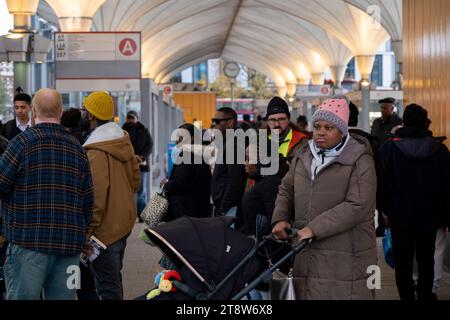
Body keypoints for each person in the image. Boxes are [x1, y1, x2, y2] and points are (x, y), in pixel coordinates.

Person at [272, 96, 377, 300]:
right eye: (317, 126)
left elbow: (358, 205)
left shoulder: (360, 160)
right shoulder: (303, 156)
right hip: (305, 248)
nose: (320, 132)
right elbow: (286, 189)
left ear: (342, 131)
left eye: (329, 127)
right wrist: (280, 217)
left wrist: (314, 229)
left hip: (346, 253)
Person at [0, 89, 94, 300]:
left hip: (27, 242)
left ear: (33, 111)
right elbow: (88, 201)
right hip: (69, 245)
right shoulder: (77, 149)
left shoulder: (21, 143)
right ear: (60, 112)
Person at [378, 104, 450, 301]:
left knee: (403, 263)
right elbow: (447, 185)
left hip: (400, 217)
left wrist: (384, 210)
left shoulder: (389, 149)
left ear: (404, 122)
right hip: (430, 217)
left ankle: (407, 297)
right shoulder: (440, 149)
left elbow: (381, 184)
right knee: (427, 260)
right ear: (424, 122)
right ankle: (426, 296)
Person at [81, 91, 140, 300]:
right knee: (113, 281)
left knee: (107, 288)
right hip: (123, 224)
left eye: (84, 109)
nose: (82, 113)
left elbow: (96, 196)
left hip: (104, 231)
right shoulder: (122, 141)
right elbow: (136, 181)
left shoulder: (96, 150)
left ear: (90, 115)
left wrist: (88, 230)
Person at [161, 123, 211, 221]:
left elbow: (180, 183)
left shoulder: (187, 155)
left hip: (185, 210)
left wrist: (166, 185)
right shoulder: (200, 154)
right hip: (197, 207)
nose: (176, 140)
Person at [370, 97, 402, 237]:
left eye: (385, 108)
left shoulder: (398, 123)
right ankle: (381, 225)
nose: (382, 110)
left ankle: (391, 224)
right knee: (379, 193)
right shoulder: (376, 122)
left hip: (392, 164)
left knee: (390, 192)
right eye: (381, 108)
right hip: (377, 163)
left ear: (392, 108)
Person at [210, 107, 247, 222]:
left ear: (230, 122)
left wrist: (223, 208)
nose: (214, 125)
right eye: (213, 121)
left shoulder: (234, 143)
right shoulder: (229, 141)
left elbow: (235, 180)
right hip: (225, 206)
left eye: (217, 121)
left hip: (228, 209)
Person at [122, 110, 153, 222]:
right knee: (127, 191)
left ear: (137, 118)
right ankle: (129, 214)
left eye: (132, 118)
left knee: (141, 191)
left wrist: (142, 157)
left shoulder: (144, 130)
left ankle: (142, 214)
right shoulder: (122, 130)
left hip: (142, 164)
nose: (130, 120)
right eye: (128, 118)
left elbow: (149, 146)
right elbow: (120, 146)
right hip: (128, 164)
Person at [266, 97, 309, 162]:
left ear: (289, 119)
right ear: (268, 121)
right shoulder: (260, 141)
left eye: (281, 119)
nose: (277, 124)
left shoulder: (302, 142)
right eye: (272, 120)